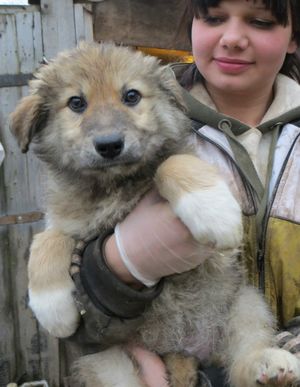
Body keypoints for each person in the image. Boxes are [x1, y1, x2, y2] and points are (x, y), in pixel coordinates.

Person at [71, 0, 300, 385]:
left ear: (294, 38)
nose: (231, 38)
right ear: (191, 23)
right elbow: (68, 316)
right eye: (212, 18)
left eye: (260, 22)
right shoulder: (134, 133)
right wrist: (117, 264)